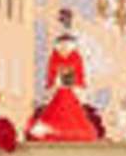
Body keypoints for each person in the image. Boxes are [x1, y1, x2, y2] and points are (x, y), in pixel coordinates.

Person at [25, 8, 104, 142]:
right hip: (60, 92)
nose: (64, 47)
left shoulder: (74, 56)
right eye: (62, 44)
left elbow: (78, 74)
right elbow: (52, 73)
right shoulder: (57, 56)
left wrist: (67, 83)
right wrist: (57, 82)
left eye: (67, 44)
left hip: (68, 92)